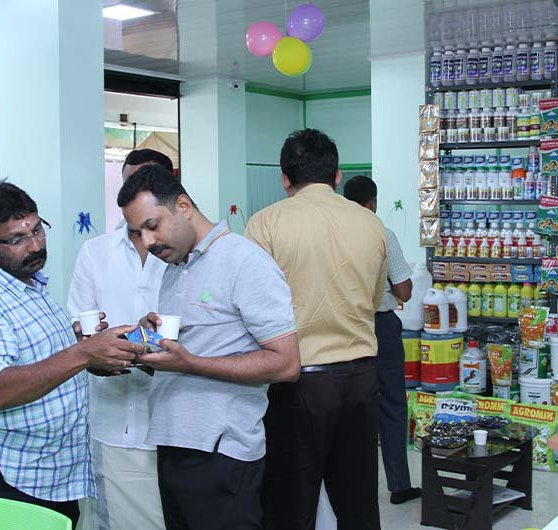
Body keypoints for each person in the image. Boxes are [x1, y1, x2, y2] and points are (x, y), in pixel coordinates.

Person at [0, 182, 145, 528]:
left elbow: (41, 360)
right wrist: (82, 354)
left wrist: (94, 353)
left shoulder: (29, 284)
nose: (35, 245)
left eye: (37, 230)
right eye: (17, 239)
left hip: (50, 472)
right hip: (6, 475)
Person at [119, 165, 300, 530]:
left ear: (184, 206)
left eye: (153, 225)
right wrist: (148, 344)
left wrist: (190, 363)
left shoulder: (245, 262)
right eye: (138, 232)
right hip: (173, 441)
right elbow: (193, 349)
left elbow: (287, 365)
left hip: (222, 452)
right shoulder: (174, 266)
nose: (148, 242)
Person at [245, 129, 388, 530]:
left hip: (297, 383)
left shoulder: (265, 224)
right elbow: (375, 300)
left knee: (290, 508)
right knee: (359, 506)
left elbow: (251, 309)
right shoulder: (372, 224)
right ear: (337, 175)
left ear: (285, 179)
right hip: (361, 379)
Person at [66, 178, 167, 530]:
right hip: (112, 420)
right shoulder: (97, 252)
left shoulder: (181, 254)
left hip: (174, 421)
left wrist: (147, 342)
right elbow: (80, 324)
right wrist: (89, 343)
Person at [343, 175, 420, 505]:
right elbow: (404, 290)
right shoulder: (382, 234)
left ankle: (348, 485)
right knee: (391, 403)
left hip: (343, 326)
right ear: (373, 202)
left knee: (348, 403)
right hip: (380, 326)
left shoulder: (334, 234)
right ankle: (398, 485)